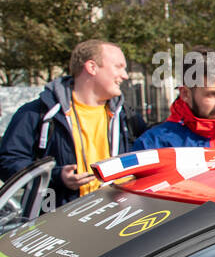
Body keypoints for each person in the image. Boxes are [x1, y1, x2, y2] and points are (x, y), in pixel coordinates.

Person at [0, 39, 133, 205]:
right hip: (60, 223)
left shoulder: (126, 115)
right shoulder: (37, 113)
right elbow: (8, 162)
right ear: (92, 67)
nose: (125, 75)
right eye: (119, 67)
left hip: (118, 216)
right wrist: (55, 176)